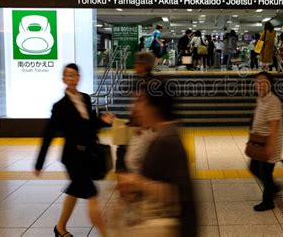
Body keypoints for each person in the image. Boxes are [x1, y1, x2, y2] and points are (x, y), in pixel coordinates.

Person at [34, 64, 114, 237]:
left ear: (78, 78)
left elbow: (90, 124)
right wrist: (39, 163)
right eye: (68, 75)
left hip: (87, 154)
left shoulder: (85, 98)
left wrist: (103, 121)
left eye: (74, 75)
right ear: (63, 79)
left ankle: (60, 228)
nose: (71, 78)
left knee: (75, 190)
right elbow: (49, 134)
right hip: (72, 158)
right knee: (91, 195)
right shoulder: (60, 106)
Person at [116, 82, 198, 237]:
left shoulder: (166, 141)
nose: (136, 107)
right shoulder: (164, 134)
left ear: (155, 107)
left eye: (141, 101)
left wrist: (136, 182)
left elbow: (176, 194)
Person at [248, 72, 283, 211]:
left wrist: (270, 146)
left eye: (263, 82)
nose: (260, 85)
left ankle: (268, 201)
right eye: (258, 82)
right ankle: (273, 187)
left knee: (265, 173)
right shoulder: (262, 99)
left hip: (270, 144)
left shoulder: (273, 102)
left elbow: (274, 127)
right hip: (259, 143)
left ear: (270, 84)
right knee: (254, 168)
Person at [115, 52, 155, 172]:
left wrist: (141, 124)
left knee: (133, 159)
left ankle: (139, 183)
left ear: (144, 65)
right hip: (145, 127)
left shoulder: (145, 83)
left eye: (137, 63)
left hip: (145, 128)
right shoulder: (148, 80)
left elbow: (143, 105)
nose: (134, 66)